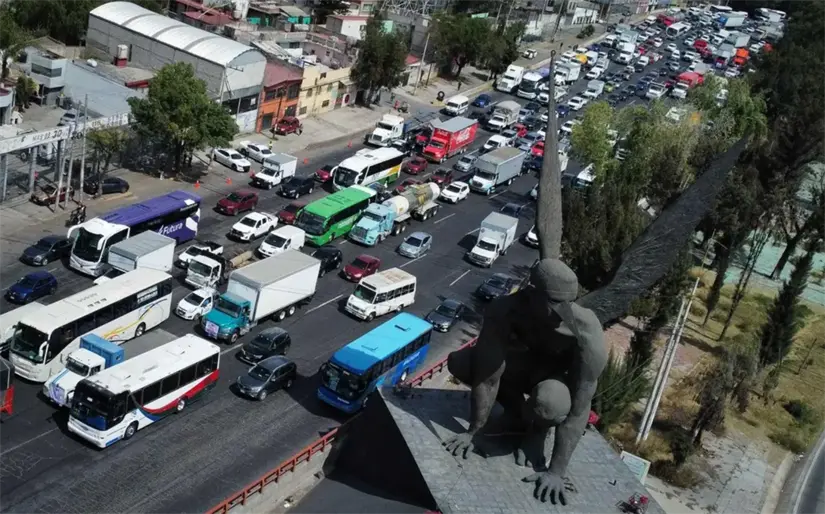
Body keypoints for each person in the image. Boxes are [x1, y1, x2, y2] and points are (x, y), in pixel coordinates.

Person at [443, 258, 608, 505]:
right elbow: (488, 376)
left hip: (554, 382)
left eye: (568, 302)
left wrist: (556, 472)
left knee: (549, 403)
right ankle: (517, 413)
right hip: (521, 367)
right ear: (532, 293)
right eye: (554, 302)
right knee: (462, 362)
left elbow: (580, 407)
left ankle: (537, 430)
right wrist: (474, 432)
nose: (564, 310)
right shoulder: (505, 309)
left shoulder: (587, 331)